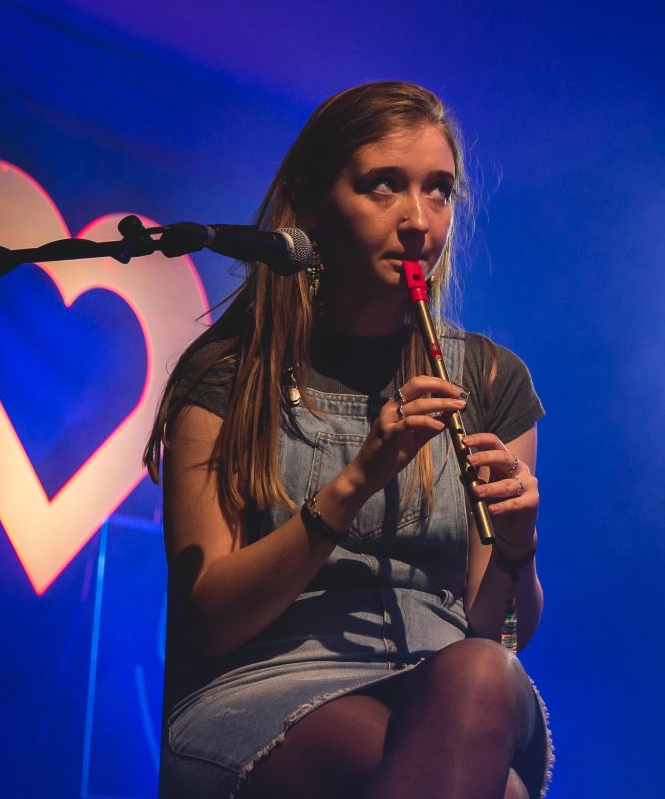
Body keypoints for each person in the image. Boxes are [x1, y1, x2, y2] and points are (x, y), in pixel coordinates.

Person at [144, 81, 551, 799]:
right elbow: (211, 619)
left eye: (438, 190)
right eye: (384, 185)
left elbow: (501, 633)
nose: (418, 219)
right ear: (312, 201)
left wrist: (517, 548)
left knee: (481, 669)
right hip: (267, 688)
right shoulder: (228, 373)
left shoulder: (489, 377)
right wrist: (357, 480)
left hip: (451, 681)